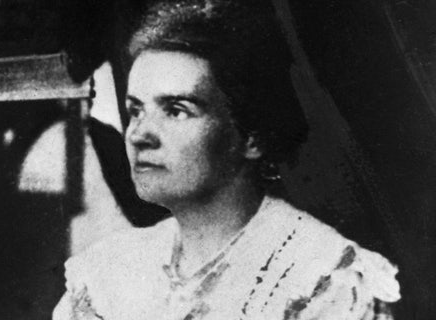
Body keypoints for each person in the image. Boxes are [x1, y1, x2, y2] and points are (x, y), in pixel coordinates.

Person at [53, 0, 401, 319]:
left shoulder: (322, 279)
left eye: (176, 110)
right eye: (136, 110)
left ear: (251, 136)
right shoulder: (106, 274)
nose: (139, 134)